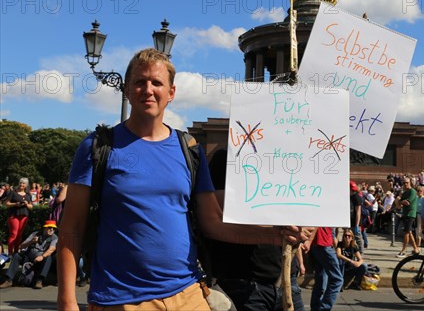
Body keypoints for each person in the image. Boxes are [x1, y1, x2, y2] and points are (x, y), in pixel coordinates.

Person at [57, 48, 306, 311]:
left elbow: (214, 224)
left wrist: (274, 236)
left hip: (188, 294)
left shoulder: (190, 149)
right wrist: (66, 300)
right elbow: (72, 227)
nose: (148, 89)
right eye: (140, 82)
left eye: (156, 83)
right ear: (127, 90)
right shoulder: (97, 147)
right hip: (123, 299)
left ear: (171, 93)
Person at [208, 148, 304, 311]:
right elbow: (214, 210)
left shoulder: (290, 160)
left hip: (286, 278)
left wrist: (306, 230)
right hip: (244, 281)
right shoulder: (226, 157)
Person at [0, 220, 58, 289]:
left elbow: (51, 250)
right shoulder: (35, 234)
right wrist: (31, 242)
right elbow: (21, 246)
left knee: (48, 258)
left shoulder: (54, 237)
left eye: (54, 228)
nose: (52, 230)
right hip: (29, 256)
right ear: (44, 228)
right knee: (17, 255)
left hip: (40, 259)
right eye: (49, 227)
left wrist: (42, 257)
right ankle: (9, 280)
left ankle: (39, 281)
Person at [305, 227, 343, 311]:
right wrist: (309, 241)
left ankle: (315, 308)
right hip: (323, 244)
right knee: (337, 280)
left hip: (321, 243)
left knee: (321, 281)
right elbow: (317, 223)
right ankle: (323, 308)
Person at [5, 178, 33, 254]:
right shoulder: (13, 193)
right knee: (14, 234)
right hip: (14, 216)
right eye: (20, 183)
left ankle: (16, 252)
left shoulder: (28, 195)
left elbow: (31, 207)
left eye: (23, 183)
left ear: (26, 185)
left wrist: (27, 204)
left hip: (24, 216)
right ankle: (10, 253)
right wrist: (15, 204)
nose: (21, 184)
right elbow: (7, 203)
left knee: (19, 235)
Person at [395, 177, 419, 258]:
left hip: (410, 214)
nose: (405, 184)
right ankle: (416, 249)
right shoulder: (405, 192)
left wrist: (400, 201)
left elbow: (406, 203)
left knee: (406, 232)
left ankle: (404, 250)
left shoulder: (412, 191)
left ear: (410, 183)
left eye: (407, 182)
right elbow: (399, 203)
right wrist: (400, 201)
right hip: (406, 214)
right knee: (409, 232)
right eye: (404, 183)